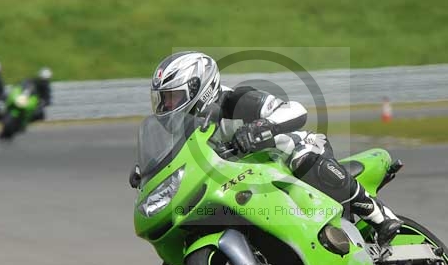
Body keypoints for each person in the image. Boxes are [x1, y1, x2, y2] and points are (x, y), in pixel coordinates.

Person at [149, 51, 402, 246]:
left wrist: (262, 126)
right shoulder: (185, 132)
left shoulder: (234, 101)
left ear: (199, 89)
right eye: (162, 100)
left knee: (301, 155)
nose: (167, 107)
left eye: (172, 98)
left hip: (291, 156)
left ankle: (378, 215)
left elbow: (296, 110)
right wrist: (148, 174)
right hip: (248, 180)